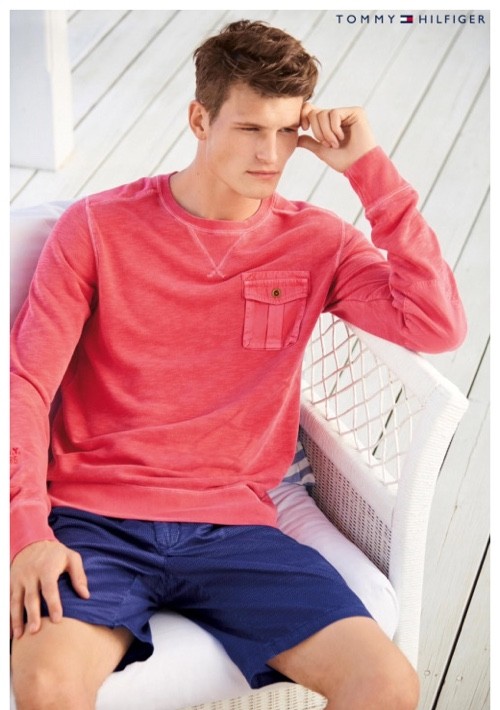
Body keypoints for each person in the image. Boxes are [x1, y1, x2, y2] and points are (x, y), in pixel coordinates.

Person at [10, 19, 466, 710]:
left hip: (237, 529)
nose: (271, 153)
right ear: (200, 118)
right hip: (95, 518)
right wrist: (27, 534)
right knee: (46, 684)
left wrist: (370, 171)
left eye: (287, 131)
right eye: (251, 128)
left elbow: (437, 325)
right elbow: (25, 383)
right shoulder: (98, 227)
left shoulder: (317, 241)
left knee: (388, 683)